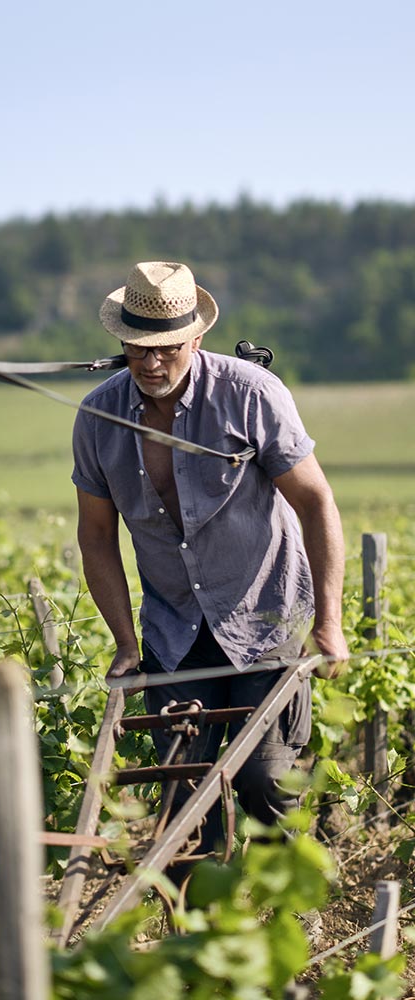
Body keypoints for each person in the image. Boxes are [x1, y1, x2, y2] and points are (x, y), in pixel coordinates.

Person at [71, 260, 348, 856]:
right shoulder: (99, 418)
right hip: (175, 632)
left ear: (195, 337)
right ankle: (197, 932)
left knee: (265, 782)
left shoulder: (250, 395)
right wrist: (125, 641)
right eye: (138, 347)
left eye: (166, 347)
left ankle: (292, 918)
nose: (150, 362)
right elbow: (96, 535)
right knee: (179, 799)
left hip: (264, 618)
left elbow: (316, 502)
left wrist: (329, 622)